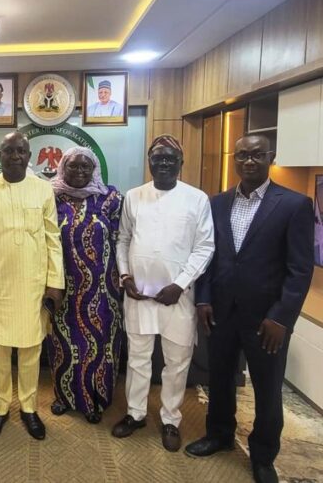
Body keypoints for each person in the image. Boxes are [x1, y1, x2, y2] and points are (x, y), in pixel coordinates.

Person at [185, 134, 314, 483]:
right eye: (242, 155)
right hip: (221, 312)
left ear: (271, 157)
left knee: (267, 388)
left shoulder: (294, 204)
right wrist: (203, 298)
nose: (249, 161)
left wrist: (281, 317)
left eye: (257, 155)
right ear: (234, 159)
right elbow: (209, 256)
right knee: (220, 378)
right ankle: (219, 434)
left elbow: (300, 269)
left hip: (266, 319)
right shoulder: (217, 203)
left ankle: (263, 456)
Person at [112, 134, 214, 452]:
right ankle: (135, 413)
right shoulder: (134, 196)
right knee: (139, 359)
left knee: (176, 362)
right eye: (158, 158)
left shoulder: (197, 199)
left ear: (181, 163)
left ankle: (171, 419)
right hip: (139, 295)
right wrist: (125, 274)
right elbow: (124, 239)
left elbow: (205, 247)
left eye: (170, 158)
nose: (164, 163)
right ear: (150, 162)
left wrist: (180, 283)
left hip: (177, 299)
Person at [0, 132, 64, 441]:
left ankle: (29, 408)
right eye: (9, 150)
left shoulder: (43, 191)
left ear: (29, 155)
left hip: (34, 286)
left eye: (21, 151)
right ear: (0, 154)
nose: (15, 156)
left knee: (30, 352)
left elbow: (53, 240)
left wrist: (54, 284)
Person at [47, 147, 123, 424]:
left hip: (103, 290)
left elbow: (122, 241)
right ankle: (64, 396)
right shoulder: (50, 197)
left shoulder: (110, 198)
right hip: (62, 287)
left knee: (99, 345)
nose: (79, 172)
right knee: (64, 345)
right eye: (73, 167)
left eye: (85, 167)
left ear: (94, 170)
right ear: (62, 168)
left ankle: (95, 400)